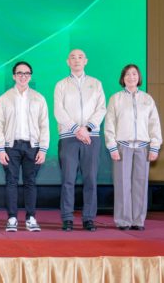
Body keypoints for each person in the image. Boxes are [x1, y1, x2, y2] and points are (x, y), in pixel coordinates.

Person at [105, 64, 162, 231]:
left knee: (140, 184)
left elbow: (154, 124)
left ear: (139, 77)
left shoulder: (147, 99)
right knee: (122, 184)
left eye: (134, 74)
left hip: (143, 147)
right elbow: (109, 124)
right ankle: (123, 220)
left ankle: (138, 220)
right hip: (122, 146)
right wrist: (112, 147)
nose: (131, 77)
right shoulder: (115, 99)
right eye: (128, 74)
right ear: (123, 78)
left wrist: (155, 146)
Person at [54, 49, 106, 232]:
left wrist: (87, 128)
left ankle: (89, 218)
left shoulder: (95, 83)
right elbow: (58, 111)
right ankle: (67, 218)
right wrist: (76, 129)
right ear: (67, 62)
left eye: (80, 57)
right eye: (73, 57)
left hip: (91, 137)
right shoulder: (61, 85)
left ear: (86, 61)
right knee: (68, 180)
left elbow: (101, 109)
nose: (76, 60)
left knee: (90, 179)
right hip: (69, 137)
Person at [0, 61, 49, 232]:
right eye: (19, 73)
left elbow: (44, 125)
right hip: (11, 146)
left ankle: (31, 218)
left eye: (26, 73)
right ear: (14, 76)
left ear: (30, 76)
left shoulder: (39, 98)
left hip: (33, 147)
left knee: (30, 182)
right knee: (11, 182)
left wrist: (43, 149)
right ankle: (12, 218)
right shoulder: (4, 98)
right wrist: (1, 149)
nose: (23, 76)